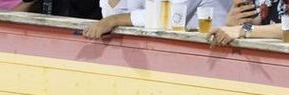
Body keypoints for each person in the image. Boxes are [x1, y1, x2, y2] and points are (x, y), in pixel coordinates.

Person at [84, 0, 231, 37]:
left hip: (220, 52)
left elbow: (166, 18)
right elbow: (109, 18)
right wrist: (111, 19)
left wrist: (114, 20)